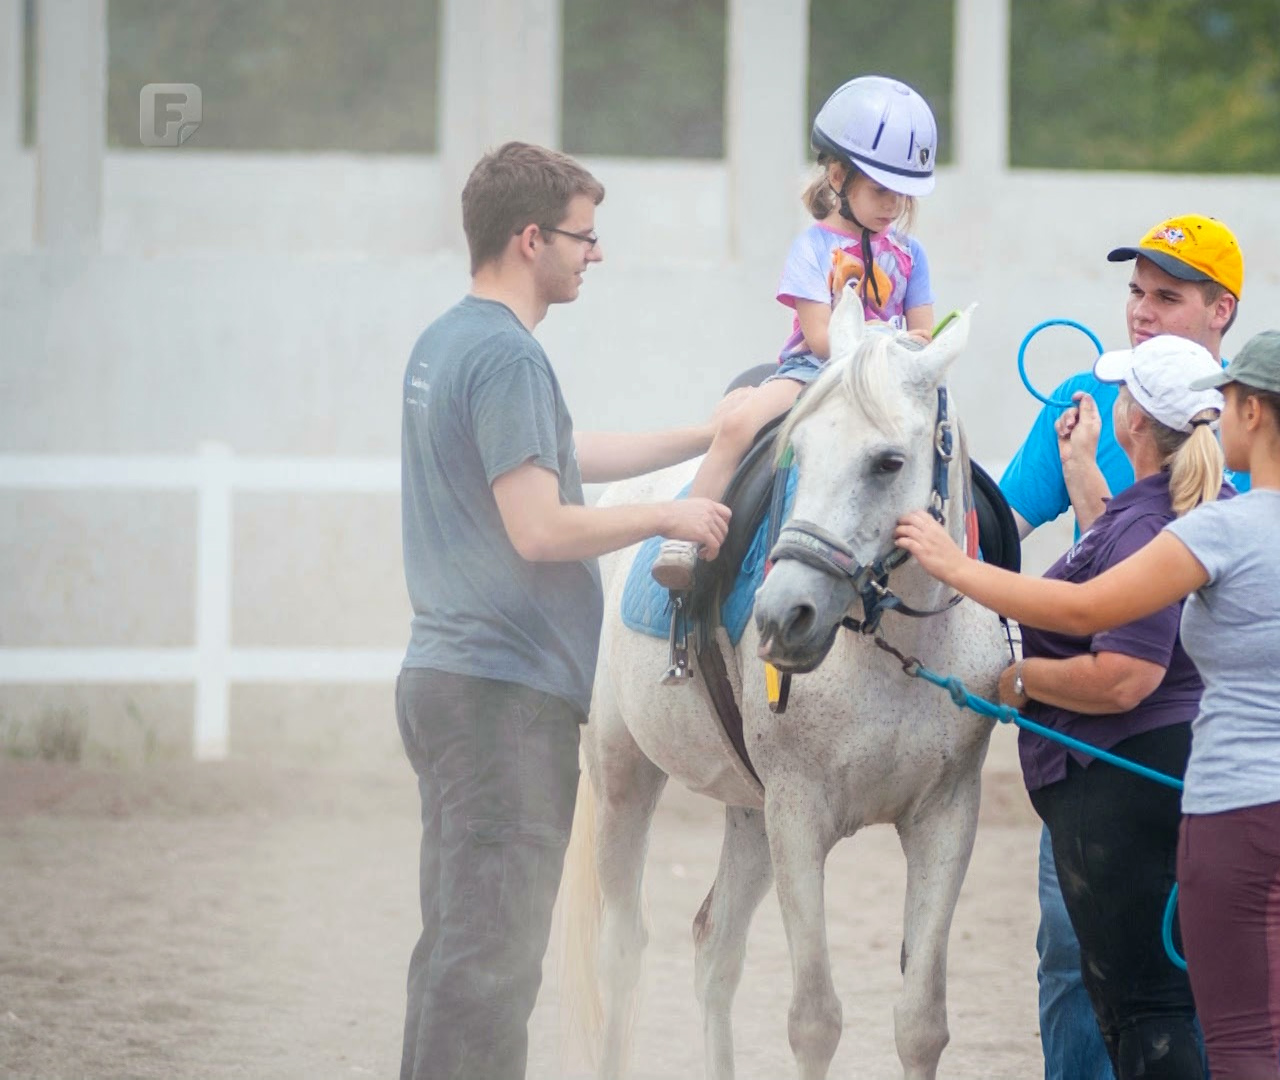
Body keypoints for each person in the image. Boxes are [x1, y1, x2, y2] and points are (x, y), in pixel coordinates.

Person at [996, 214, 1280, 1080]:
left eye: (1167, 296)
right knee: (1088, 961)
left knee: (1205, 1015)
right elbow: (1016, 529)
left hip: (1192, 756)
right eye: (1135, 293)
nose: (1142, 312)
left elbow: (1112, 617)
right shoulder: (1096, 403)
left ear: (1220, 311)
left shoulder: (1258, 451)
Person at [901, 330, 1280, 1080]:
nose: (1217, 417)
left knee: (1240, 1048)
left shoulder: (1222, 529)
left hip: (1252, 809)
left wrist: (952, 567)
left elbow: (1083, 609)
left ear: (1256, 413)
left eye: (1227, 403)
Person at [396, 142, 731, 1080]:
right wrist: (671, 512)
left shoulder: (451, 340)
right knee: (492, 966)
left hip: (453, 683)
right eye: (585, 236)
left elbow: (567, 450)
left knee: (457, 949)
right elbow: (540, 528)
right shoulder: (507, 357)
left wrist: (712, 431)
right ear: (530, 237)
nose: (596, 254)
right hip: (502, 697)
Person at [1002, 334, 1229, 1079]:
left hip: (1123, 776)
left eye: (1123, 394)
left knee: (1145, 1014)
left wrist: (1016, 681)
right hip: (1201, 766)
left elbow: (1124, 675)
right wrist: (1079, 471)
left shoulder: (1146, 523)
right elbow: (1128, 558)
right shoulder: (1208, 502)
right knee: (1187, 1000)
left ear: (1131, 419)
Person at [652, 74, 940, 589]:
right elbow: (822, 336)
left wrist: (916, 349)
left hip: (888, 382)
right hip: (815, 372)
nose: (893, 205)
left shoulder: (911, 255)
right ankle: (684, 533)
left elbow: (924, 332)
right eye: (880, 190)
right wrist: (889, 343)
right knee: (738, 425)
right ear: (837, 177)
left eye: (902, 193)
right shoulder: (812, 248)